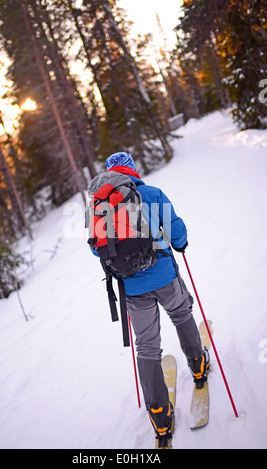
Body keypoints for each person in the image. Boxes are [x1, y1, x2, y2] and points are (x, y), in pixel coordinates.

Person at [88, 152, 210, 447]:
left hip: (130, 286)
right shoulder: (151, 193)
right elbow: (176, 230)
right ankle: (197, 365)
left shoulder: (99, 205)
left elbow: (96, 249)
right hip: (164, 275)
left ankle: (158, 412)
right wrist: (180, 244)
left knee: (147, 345)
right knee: (181, 314)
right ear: (131, 170)